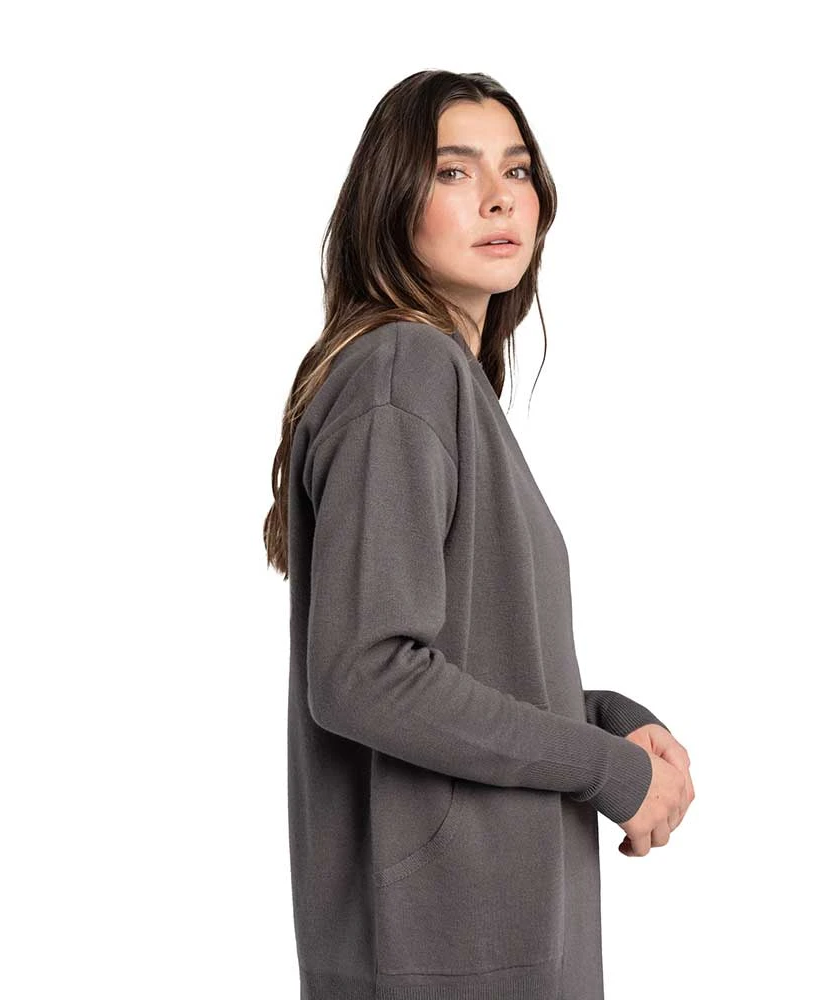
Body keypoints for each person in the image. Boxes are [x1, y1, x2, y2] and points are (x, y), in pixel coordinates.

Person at [262, 69, 695, 1000]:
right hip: (446, 955)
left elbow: (456, 668)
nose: (500, 197)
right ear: (390, 203)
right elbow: (367, 675)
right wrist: (604, 768)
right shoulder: (403, 371)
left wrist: (604, 717)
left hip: (486, 940)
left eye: (518, 169)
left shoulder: (443, 384)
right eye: (454, 171)